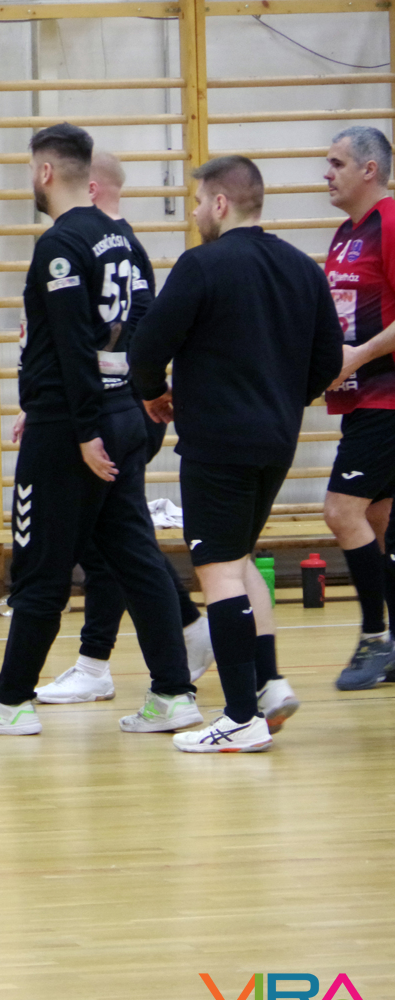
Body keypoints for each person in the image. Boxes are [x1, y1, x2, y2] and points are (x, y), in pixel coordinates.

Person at [0, 123, 195, 738]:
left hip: (73, 432)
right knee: (135, 558)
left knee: (39, 567)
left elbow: (72, 345)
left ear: (47, 172)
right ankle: (173, 694)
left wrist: (82, 428)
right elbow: (143, 331)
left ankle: (10, 704)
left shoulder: (60, 243)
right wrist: (132, 399)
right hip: (121, 415)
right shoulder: (125, 240)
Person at [131, 156, 342, 751]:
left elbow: (147, 348)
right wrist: (284, 400)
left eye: (199, 201)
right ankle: (268, 685)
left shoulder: (203, 264)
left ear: (220, 204)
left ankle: (240, 717)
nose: (196, 212)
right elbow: (328, 360)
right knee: (238, 558)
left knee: (218, 569)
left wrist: (152, 393)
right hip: (276, 440)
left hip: (218, 442)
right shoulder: (302, 268)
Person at [34, 149, 213, 704]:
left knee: (111, 542)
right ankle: (177, 637)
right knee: (118, 538)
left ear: (88, 187)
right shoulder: (125, 247)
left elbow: (97, 344)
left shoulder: (86, 244)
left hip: (114, 408)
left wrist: (85, 414)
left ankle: (100, 661)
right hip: (119, 405)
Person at [319, 127, 395, 690]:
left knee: (341, 511)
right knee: (376, 521)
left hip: (387, 399)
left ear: (370, 169)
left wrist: (360, 355)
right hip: (360, 399)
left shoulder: (390, 223)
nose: (327, 174)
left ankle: (374, 636)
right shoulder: (347, 233)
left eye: (337, 163)